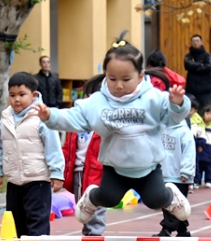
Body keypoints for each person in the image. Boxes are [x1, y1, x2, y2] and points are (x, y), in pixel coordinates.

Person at [32, 32, 191, 228]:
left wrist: (178, 104)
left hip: (148, 167)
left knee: (155, 200)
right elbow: (76, 117)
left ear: (140, 76)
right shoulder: (98, 102)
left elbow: (173, 118)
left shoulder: (153, 98)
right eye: (112, 79)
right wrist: (51, 115)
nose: (119, 85)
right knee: (108, 198)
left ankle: (171, 195)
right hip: (115, 168)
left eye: (126, 79)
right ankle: (90, 197)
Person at [0, 72, 65, 241]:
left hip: (37, 178)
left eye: (21, 94)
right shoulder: (5, 118)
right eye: (12, 95)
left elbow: (53, 147)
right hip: (15, 179)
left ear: (33, 95)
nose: (16, 99)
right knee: (16, 216)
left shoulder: (41, 118)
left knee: (37, 216)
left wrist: (57, 172)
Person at [62, 76, 107, 241]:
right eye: (86, 96)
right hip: (79, 170)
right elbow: (68, 146)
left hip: (97, 171)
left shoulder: (105, 123)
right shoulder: (78, 123)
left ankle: (96, 237)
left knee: (96, 203)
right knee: (82, 203)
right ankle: (88, 235)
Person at [155, 119, 195, 237]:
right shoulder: (160, 129)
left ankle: (167, 228)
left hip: (179, 176)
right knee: (168, 204)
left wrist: (186, 171)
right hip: (164, 173)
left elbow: (189, 153)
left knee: (176, 204)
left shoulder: (184, 131)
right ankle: (182, 230)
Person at [192, 106, 211, 188]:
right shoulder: (199, 124)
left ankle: (209, 181)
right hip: (200, 147)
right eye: (207, 113)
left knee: (209, 167)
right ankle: (197, 181)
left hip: (209, 149)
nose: (209, 116)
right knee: (199, 165)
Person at [184, 34, 211, 108]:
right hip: (192, 88)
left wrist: (194, 66)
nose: (195, 43)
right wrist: (200, 64)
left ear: (201, 42)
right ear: (191, 43)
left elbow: (209, 67)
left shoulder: (207, 55)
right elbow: (187, 66)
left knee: (207, 109)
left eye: (197, 41)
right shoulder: (188, 56)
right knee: (190, 109)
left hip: (205, 89)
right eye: (193, 41)